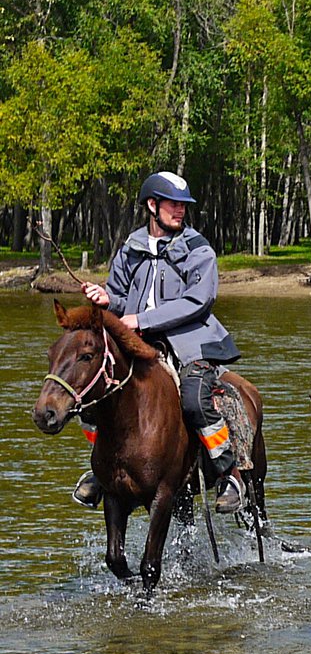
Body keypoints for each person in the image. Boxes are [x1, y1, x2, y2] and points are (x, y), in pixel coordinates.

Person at [77, 171, 248, 513]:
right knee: (89, 392)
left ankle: (229, 473)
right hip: (135, 341)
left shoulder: (198, 249)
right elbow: (121, 296)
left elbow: (199, 300)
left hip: (189, 341)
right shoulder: (131, 248)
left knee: (195, 399)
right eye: (174, 204)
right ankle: (101, 470)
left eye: (184, 205)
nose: (180, 211)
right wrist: (106, 299)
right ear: (152, 206)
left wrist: (141, 320)